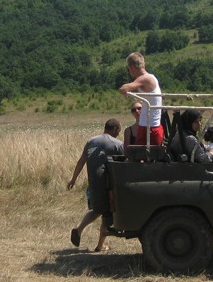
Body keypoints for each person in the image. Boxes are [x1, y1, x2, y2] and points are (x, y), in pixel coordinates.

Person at [66, 118, 124, 252]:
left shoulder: (91, 141)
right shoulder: (116, 144)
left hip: (92, 183)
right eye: (119, 131)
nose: (118, 134)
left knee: (97, 210)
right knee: (106, 213)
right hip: (107, 185)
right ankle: (100, 246)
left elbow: (81, 161)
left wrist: (73, 179)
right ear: (115, 130)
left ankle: (79, 229)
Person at [118, 52, 164, 146]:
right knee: (141, 157)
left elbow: (123, 89)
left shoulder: (144, 79)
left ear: (131, 67)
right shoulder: (150, 78)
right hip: (149, 126)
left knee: (141, 157)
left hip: (149, 127)